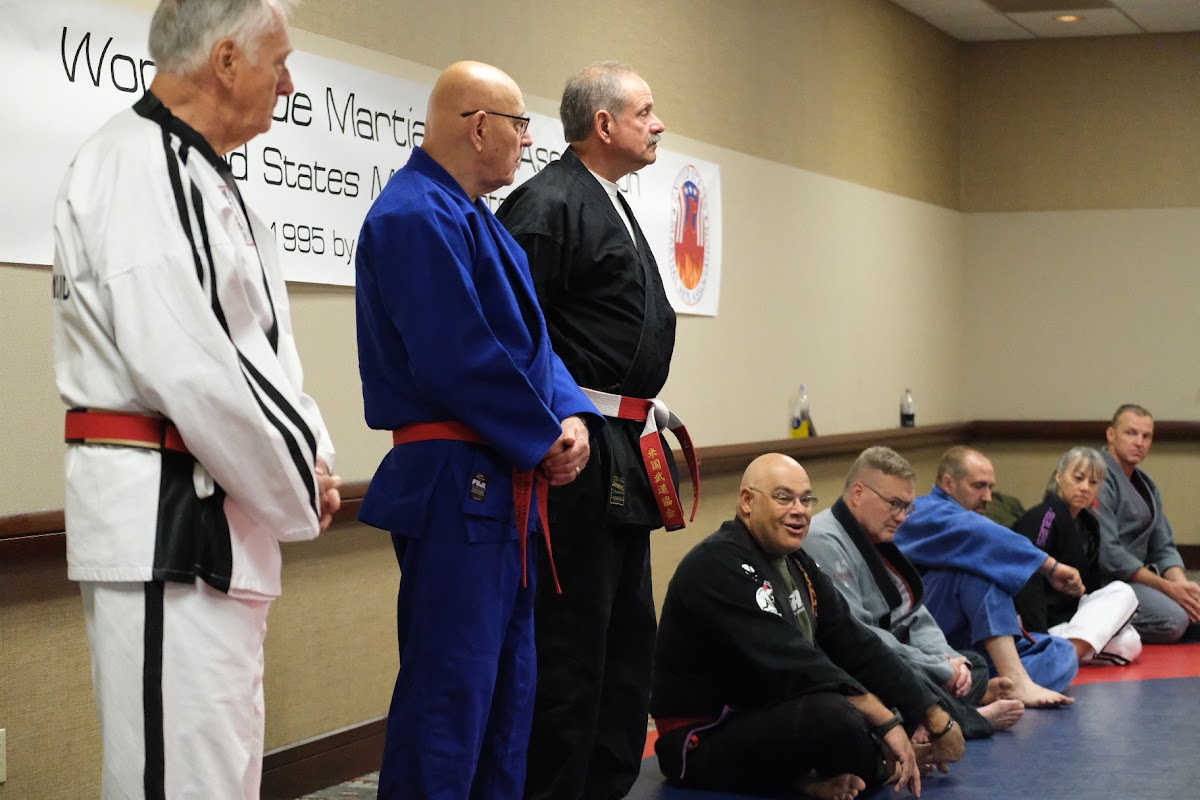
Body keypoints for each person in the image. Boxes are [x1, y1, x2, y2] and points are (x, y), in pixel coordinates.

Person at [51, 2, 341, 797]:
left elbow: (268, 360)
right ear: (224, 62)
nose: (289, 82)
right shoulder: (139, 163)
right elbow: (194, 365)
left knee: (220, 770)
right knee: (179, 781)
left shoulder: (209, 178)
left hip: (217, 519)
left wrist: (312, 456)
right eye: (277, 63)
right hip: (169, 526)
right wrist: (296, 482)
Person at [355, 61, 600, 800]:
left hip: (503, 477)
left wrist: (572, 415)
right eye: (521, 125)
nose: (529, 141)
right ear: (479, 125)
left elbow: (535, 345)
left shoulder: (479, 223)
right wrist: (543, 434)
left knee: (508, 689)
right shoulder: (411, 216)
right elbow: (456, 354)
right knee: (451, 689)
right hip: (458, 478)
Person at [496, 62, 697, 800]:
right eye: (646, 111)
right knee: (573, 647)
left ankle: (606, 786)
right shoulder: (547, 206)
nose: (659, 123)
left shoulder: (606, 202)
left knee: (624, 645)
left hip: (624, 448)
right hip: (574, 455)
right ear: (603, 125)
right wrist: (551, 426)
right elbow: (514, 338)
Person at [651, 454, 964, 800]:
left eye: (806, 499)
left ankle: (811, 778)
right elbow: (793, 660)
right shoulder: (716, 564)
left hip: (766, 717)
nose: (799, 510)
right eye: (784, 498)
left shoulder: (798, 563)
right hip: (702, 739)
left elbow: (856, 643)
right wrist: (888, 722)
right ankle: (882, 764)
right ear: (747, 502)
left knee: (875, 698)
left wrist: (931, 712)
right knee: (837, 718)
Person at [804, 446, 1024, 738]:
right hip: (857, 659)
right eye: (895, 503)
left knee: (974, 664)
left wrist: (947, 659)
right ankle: (968, 718)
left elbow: (913, 614)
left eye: (907, 507)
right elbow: (860, 636)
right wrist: (938, 669)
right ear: (858, 494)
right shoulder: (823, 539)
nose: (902, 517)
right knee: (904, 673)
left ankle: (962, 696)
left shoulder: (876, 536)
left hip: (891, 648)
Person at [893, 447, 1082, 707]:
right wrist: (1049, 566)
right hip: (928, 633)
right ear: (948, 483)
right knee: (978, 571)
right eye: (978, 486)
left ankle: (982, 686)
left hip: (971, 642)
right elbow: (975, 532)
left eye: (990, 487)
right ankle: (1013, 680)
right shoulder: (921, 511)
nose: (987, 497)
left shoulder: (968, 518)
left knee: (1062, 652)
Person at [1012, 447, 1142, 664]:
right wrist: (1039, 636)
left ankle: (1063, 655)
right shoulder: (1045, 517)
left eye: (1093, 483)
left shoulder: (1090, 525)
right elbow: (1027, 576)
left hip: (1070, 621)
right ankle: (1046, 654)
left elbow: (1091, 589)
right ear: (1059, 476)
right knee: (1124, 641)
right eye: (1078, 478)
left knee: (1128, 623)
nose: (1084, 488)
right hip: (1037, 622)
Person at [1097, 404, 1200, 643]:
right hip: (1107, 582)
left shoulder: (1146, 483)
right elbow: (1110, 555)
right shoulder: (1096, 476)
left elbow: (1163, 545)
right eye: (1130, 433)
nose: (1139, 442)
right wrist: (1166, 588)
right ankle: (1095, 626)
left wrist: (1182, 586)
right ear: (1111, 434)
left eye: (1146, 436)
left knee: (1192, 602)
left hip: (1141, 580)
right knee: (1173, 620)